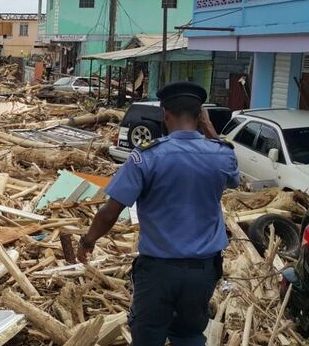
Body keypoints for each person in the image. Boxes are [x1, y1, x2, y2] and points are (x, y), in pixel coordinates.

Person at [76, 82, 240, 346]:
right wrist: (210, 131)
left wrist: (87, 241)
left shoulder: (147, 157)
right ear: (200, 116)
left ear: (165, 115)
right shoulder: (221, 155)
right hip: (203, 272)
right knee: (189, 335)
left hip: (158, 273)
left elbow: (110, 211)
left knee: (147, 336)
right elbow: (234, 178)